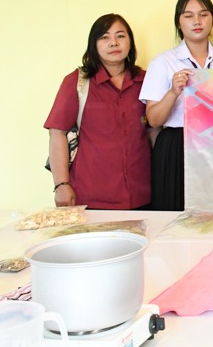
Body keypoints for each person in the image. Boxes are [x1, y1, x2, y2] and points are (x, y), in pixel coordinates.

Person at [139, 0, 213, 211]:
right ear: (178, 23)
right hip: (177, 146)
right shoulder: (163, 62)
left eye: (203, 14)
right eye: (188, 16)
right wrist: (173, 92)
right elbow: (153, 120)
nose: (197, 21)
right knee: (174, 213)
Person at [45, 14, 151, 209]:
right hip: (91, 197)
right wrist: (61, 185)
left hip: (143, 196)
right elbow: (57, 133)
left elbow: (155, 130)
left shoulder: (147, 80)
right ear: (94, 45)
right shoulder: (77, 82)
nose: (114, 43)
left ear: (130, 42)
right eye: (104, 37)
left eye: (120, 36)